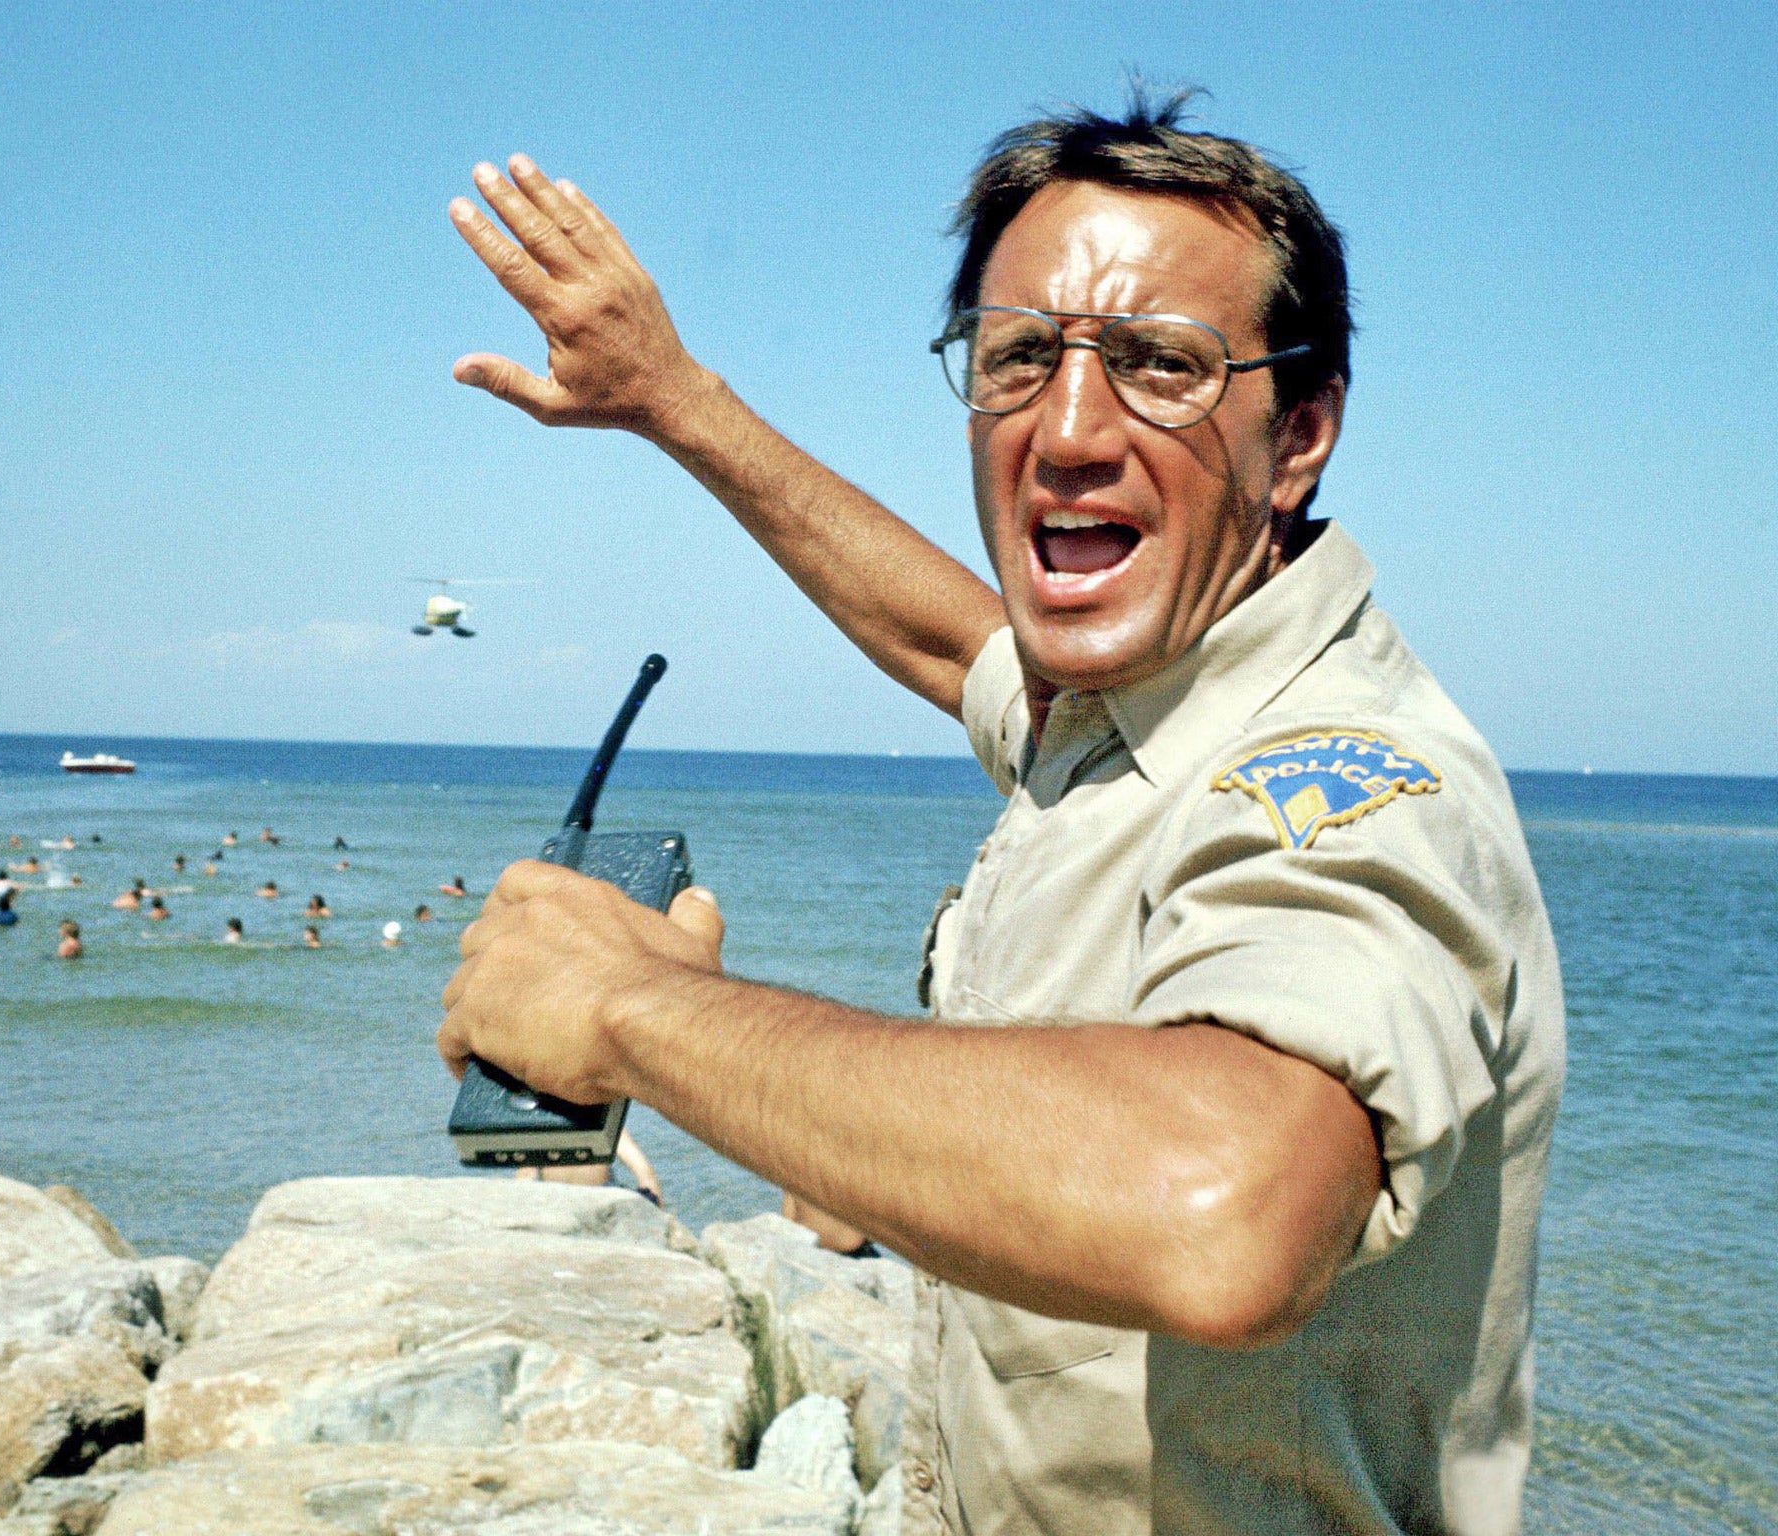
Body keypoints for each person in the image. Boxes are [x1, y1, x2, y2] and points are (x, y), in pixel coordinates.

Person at [435, 97, 1563, 1536]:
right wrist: (674, 399)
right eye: (1018, 358)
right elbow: (939, 636)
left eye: (1163, 365)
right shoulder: (1122, 703)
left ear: (1301, 436)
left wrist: (633, 1012)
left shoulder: (1351, 775)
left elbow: (1228, 1207)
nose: (1069, 431)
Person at [516, 1125, 663, 1207]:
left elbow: (524, 1179)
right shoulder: (603, 1122)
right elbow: (645, 1173)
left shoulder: (542, 1125)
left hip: (558, 1199)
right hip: (600, 1198)